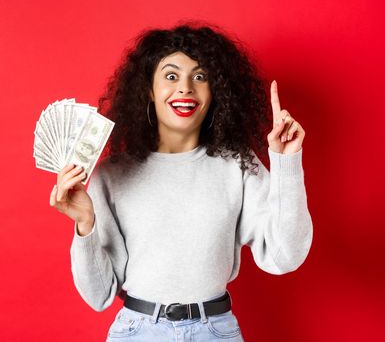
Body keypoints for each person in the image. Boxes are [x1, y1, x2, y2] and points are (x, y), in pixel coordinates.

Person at [48, 23, 313, 341]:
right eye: (171, 76)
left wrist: (286, 162)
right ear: (149, 89)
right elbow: (99, 295)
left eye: (200, 76)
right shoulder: (111, 175)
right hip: (137, 331)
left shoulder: (238, 165)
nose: (186, 88)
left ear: (215, 90)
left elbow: (285, 255)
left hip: (215, 331)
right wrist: (85, 224)